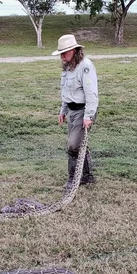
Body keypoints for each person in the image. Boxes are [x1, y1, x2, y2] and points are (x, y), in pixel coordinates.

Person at [52, 34, 99, 189]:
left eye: (64, 53)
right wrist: (63, 110)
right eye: (61, 53)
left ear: (74, 50)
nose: (62, 57)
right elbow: (66, 91)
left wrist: (89, 115)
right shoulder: (67, 68)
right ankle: (86, 176)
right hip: (72, 111)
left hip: (83, 110)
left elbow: (91, 94)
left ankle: (73, 178)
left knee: (73, 145)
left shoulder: (85, 66)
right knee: (78, 144)